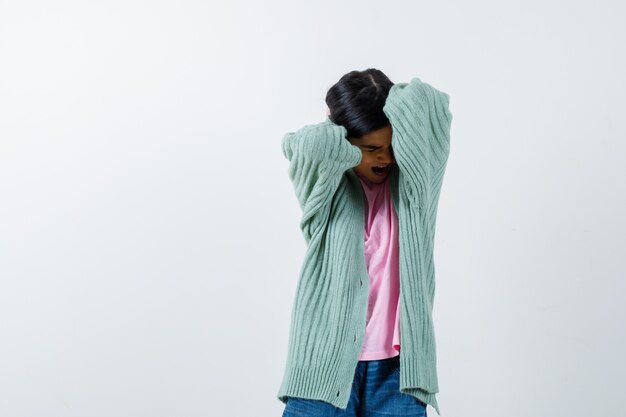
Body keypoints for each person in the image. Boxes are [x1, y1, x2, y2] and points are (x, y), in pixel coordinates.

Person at [277, 68, 453, 417]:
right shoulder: (324, 187)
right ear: (346, 142)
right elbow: (306, 145)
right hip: (322, 361)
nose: (385, 158)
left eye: (391, 146)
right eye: (371, 149)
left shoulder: (415, 187)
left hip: (398, 372)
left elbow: (432, 104)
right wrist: (336, 120)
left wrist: (380, 94)